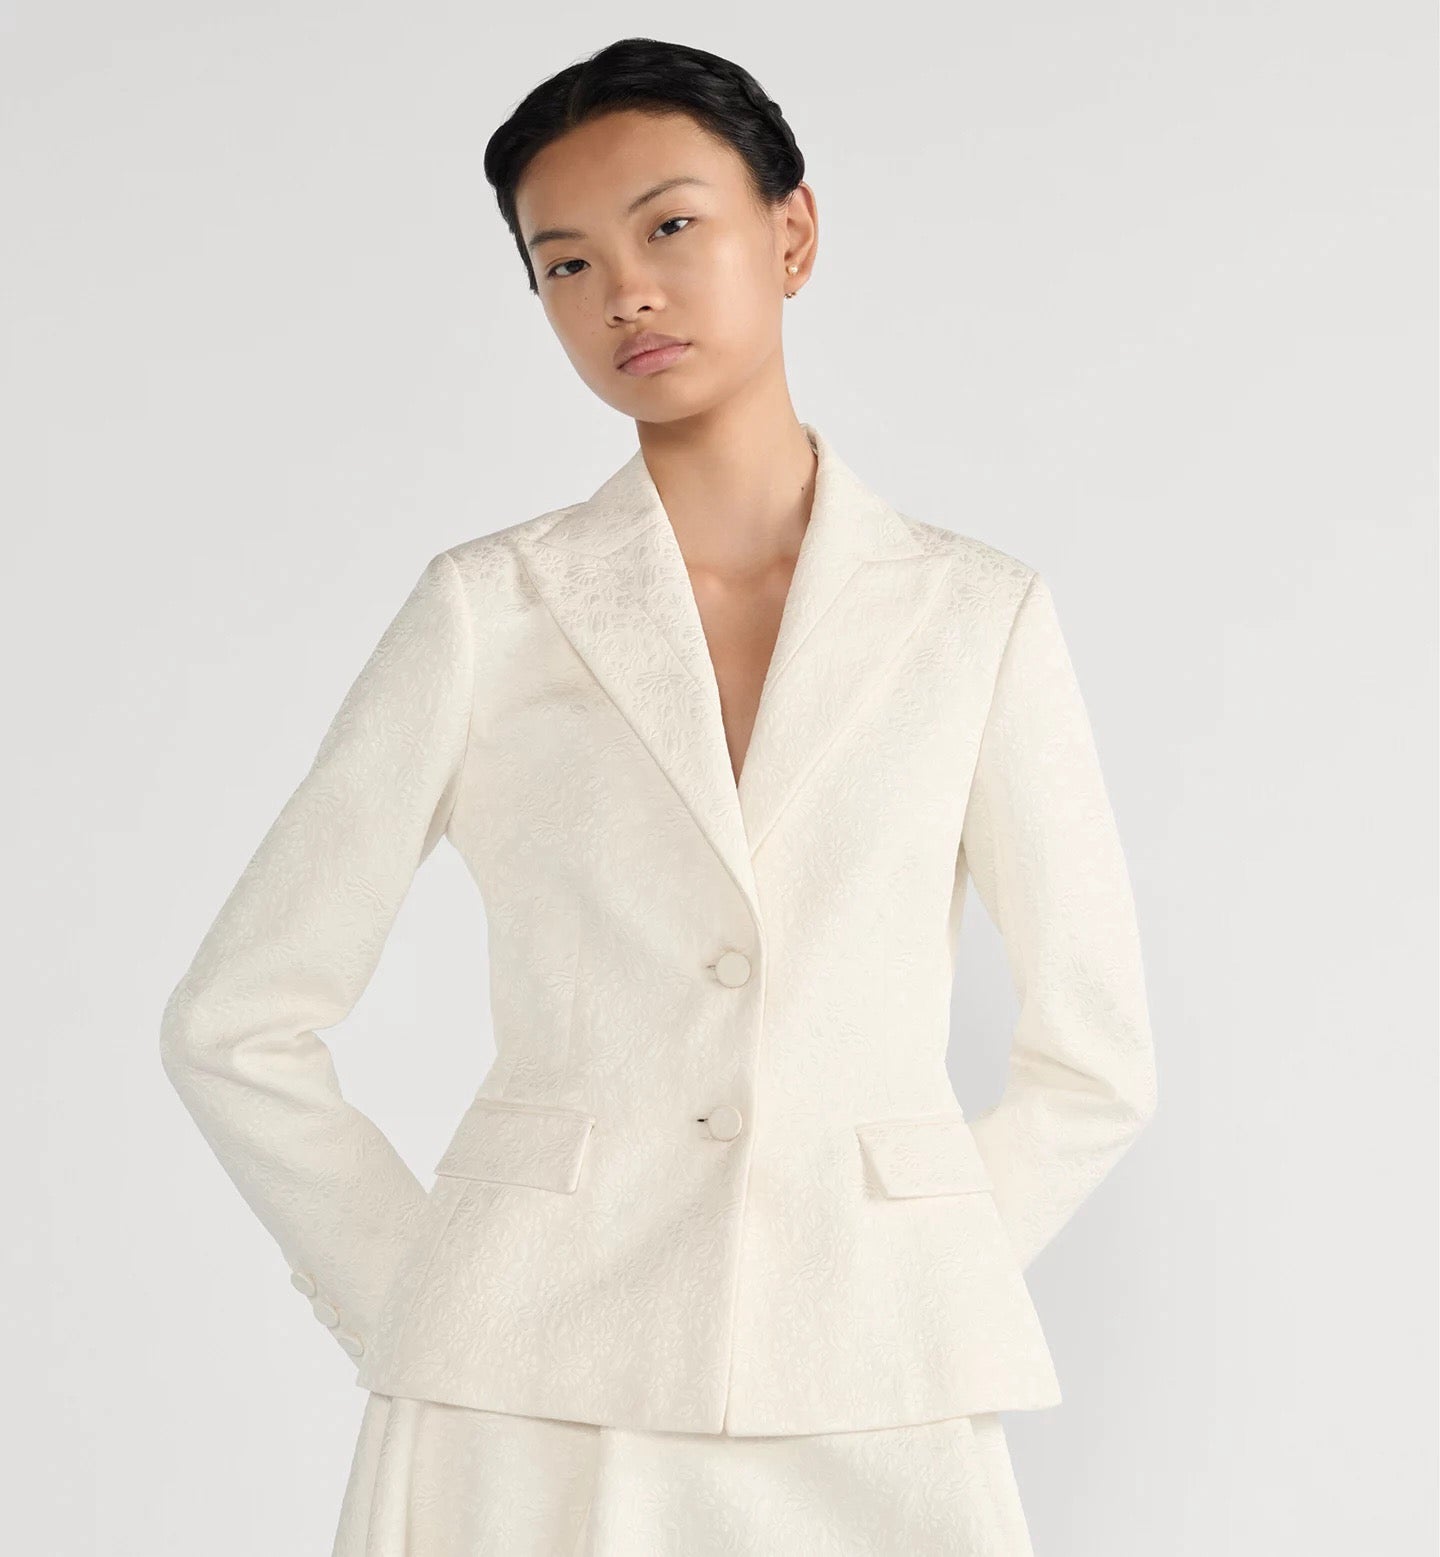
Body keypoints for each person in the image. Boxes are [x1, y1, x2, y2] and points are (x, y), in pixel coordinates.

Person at [160, 35, 1157, 1557]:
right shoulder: (489, 609)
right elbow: (234, 1022)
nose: (623, 291)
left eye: (670, 226)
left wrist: (910, 1272)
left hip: (873, 1388)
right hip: (527, 1391)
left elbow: (1097, 1058)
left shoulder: (976, 617)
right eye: (564, 263)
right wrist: (421, 1293)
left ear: (793, 233)